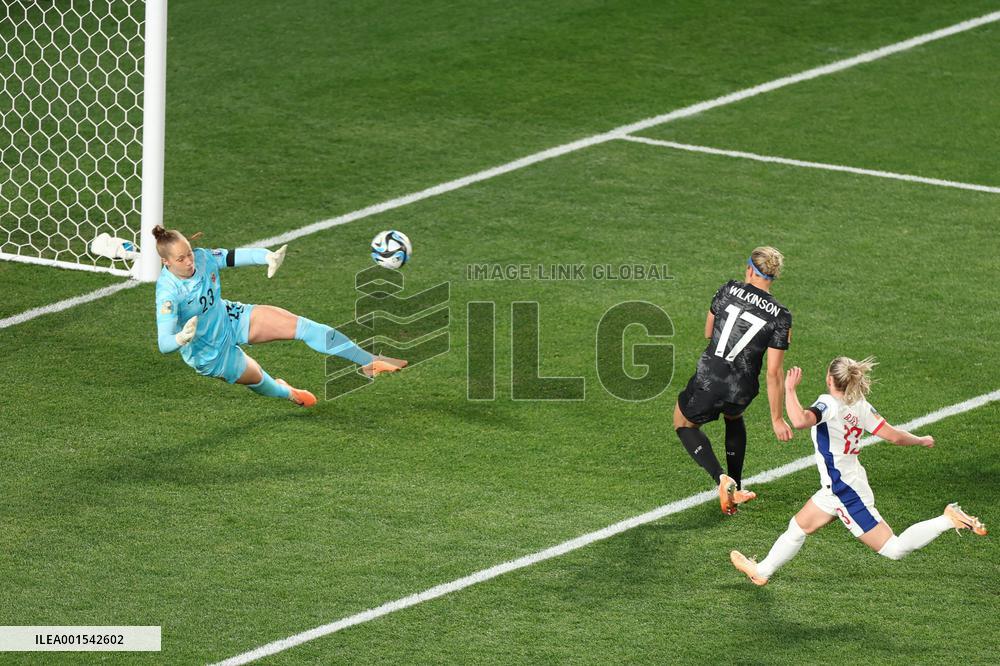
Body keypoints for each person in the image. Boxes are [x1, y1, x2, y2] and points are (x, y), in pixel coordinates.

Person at [730, 358, 987, 586]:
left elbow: (798, 420)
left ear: (829, 379)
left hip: (844, 490)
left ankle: (948, 519)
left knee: (893, 548)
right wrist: (919, 439)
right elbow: (894, 436)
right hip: (843, 482)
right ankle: (762, 570)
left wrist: (789, 390)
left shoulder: (828, 404)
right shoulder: (860, 404)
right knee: (798, 527)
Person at [153, 225, 405, 406]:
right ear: (166, 262)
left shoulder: (202, 258)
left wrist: (267, 257)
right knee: (260, 381)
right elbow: (164, 344)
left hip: (230, 317)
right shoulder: (168, 294)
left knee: (302, 326)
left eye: (189, 253)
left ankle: (368, 361)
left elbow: (235, 256)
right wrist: (182, 338)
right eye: (181, 258)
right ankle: (288, 392)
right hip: (209, 353)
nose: (189, 261)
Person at [674, 246, 793, 515]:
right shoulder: (782, 316)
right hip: (743, 387)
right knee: (733, 418)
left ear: (750, 269)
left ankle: (721, 478)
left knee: (683, 423)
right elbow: (774, 372)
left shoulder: (728, 289)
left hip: (710, 376)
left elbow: (708, 332)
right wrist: (777, 419)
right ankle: (737, 487)